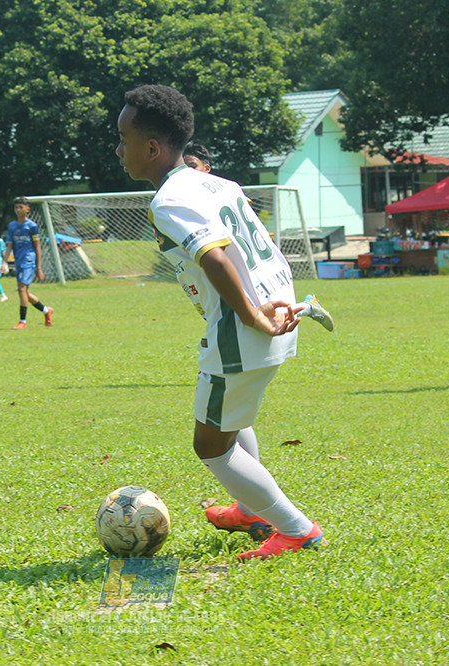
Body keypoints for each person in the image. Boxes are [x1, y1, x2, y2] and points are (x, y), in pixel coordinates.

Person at [116, 84, 334, 560]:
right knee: (229, 419)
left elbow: (215, 257)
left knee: (212, 446)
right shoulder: (218, 184)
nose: (118, 149)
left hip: (246, 325)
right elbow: (260, 244)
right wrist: (272, 305)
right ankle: (249, 509)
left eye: (123, 138)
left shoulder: (170, 198)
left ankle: (296, 530)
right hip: (277, 311)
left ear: (151, 148)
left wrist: (252, 313)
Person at [3, 197, 53, 329]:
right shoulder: (12, 226)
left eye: (20, 207)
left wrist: (39, 267)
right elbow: (9, 245)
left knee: (21, 289)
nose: (18, 210)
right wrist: (4, 262)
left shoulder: (32, 226)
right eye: (16, 208)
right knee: (25, 292)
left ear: (27, 209)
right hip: (18, 260)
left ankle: (22, 322)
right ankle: (46, 311)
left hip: (28, 259)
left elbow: (37, 246)